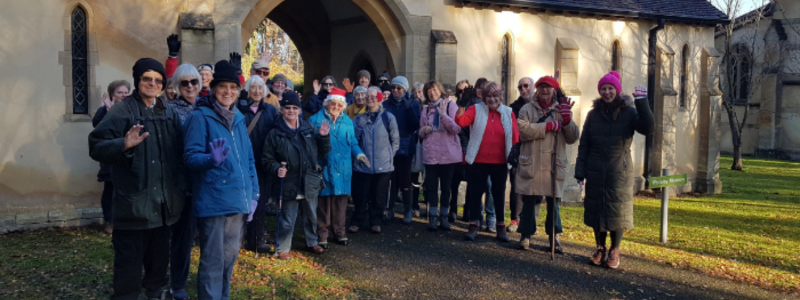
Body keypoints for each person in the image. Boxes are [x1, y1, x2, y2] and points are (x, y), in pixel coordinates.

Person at [89, 58, 186, 300]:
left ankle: (156, 294)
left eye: (157, 80)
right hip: (133, 210)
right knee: (128, 277)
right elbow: (96, 146)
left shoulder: (168, 111)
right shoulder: (124, 110)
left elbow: (179, 150)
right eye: (147, 79)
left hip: (163, 210)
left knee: (158, 272)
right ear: (138, 81)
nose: (152, 84)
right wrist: (123, 143)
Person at [183, 60, 259, 300]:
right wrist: (210, 160)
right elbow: (190, 158)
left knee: (229, 259)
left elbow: (249, 161)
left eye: (233, 88)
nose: (228, 92)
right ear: (214, 90)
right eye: (223, 87)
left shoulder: (239, 118)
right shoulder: (201, 117)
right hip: (214, 201)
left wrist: (254, 195)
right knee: (213, 260)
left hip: (238, 200)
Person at [575, 71, 654, 269]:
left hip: (620, 170)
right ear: (599, 91)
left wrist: (642, 102)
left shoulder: (629, 111)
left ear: (617, 90)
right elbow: (584, 144)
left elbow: (648, 128)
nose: (607, 92)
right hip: (595, 169)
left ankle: (614, 249)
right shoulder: (593, 115)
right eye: (603, 89)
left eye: (610, 88)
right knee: (597, 209)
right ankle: (600, 248)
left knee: (617, 211)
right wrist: (580, 171)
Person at [262, 91, 331, 260]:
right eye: (287, 108)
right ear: (282, 110)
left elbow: (323, 152)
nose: (291, 111)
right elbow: (266, 158)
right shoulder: (274, 133)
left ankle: (312, 241)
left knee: (311, 215)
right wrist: (277, 168)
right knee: (287, 218)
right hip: (288, 182)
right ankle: (283, 248)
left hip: (309, 180)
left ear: (300, 110)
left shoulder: (310, 129)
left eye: (294, 108)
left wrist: (323, 137)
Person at [515, 75, 580, 254]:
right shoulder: (526, 109)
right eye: (541, 87)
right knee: (528, 202)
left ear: (554, 90)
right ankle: (525, 235)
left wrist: (567, 121)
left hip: (553, 164)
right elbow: (523, 131)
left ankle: (554, 237)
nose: (545, 90)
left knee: (554, 204)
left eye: (548, 87)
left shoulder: (562, 109)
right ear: (536, 89)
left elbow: (573, 137)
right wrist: (548, 126)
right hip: (533, 163)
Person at [455, 81, 518, 242]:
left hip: (500, 161)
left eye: (495, 96)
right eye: (488, 96)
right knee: (475, 194)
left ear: (500, 97)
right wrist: (463, 103)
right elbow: (461, 122)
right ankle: (474, 225)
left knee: (499, 194)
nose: (491, 99)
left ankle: (500, 227)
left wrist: (514, 154)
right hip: (478, 160)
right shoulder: (475, 109)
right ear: (483, 97)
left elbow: (515, 136)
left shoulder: (508, 112)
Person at [310, 87, 369, 247]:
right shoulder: (315, 120)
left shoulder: (348, 122)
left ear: (343, 106)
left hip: (343, 169)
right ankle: (322, 233)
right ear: (327, 103)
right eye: (333, 103)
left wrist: (359, 155)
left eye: (339, 104)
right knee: (323, 202)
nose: (336, 107)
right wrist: (314, 162)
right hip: (324, 167)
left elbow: (353, 143)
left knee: (340, 202)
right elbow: (310, 146)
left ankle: (339, 232)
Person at [167, 64, 203, 300]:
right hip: (182, 183)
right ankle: (177, 284)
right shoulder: (170, 111)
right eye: (184, 83)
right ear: (177, 86)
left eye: (194, 82)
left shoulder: (207, 108)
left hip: (206, 181)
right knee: (182, 236)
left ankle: (206, 280)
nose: (190, 86)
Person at [237, 75, 279, 254]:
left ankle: (256, 238)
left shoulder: (270, 110)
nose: (256, 91)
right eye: (253, 87)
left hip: (262, 163)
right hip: (242, 161)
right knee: (240, 200)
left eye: (260, 88)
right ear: (248, 89)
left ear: (264, 91)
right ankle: (238, 237)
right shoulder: (239, 108)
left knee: (260, 202)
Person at [349, 87, 398, 234]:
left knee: (379, 196)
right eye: (367, 96)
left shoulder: (388, 117)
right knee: (361, 196)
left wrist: (389, 157)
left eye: (372, 95)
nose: (369, 98)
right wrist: (359, 126)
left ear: (379, 98)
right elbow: (354, 140)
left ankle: (376, 221)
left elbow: (395, 141)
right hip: (363, 166)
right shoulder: (359, 118)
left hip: (383, 166)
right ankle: (357, 220)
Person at [418, 81, 461, 230]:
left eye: (434, 89)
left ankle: (444, 216)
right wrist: (424, 130)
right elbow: (420, 133)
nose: (432, 93)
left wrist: (443, 116)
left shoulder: (450, 106)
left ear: (440, 90)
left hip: (447, 154)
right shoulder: (425, 110)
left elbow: (456, 128)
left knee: (446, 187)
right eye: (428, 90)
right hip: (431, 153)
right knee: (431, 187)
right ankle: (433, 217)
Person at [92, 80, 131, 235]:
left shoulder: (131, 110)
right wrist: (109, 110)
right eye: (119, 92)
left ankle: (125, 221)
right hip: (110, 156)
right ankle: (109, 221)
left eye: (125, 92)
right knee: (110, 189)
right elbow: (97, 125)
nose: (123, 95)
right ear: (112, 94)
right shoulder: (103, 111)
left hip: (127, 156)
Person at [382, 76, 421, 222]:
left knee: (405, 178)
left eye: (399, 88)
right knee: (391, 179)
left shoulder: (413, 104)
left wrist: (409, 109)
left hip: (406, 145)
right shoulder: (386, 104)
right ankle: (389, 208)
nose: (396, 91)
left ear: (404, 90)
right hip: (388, 146)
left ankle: (407, 210)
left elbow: (414, 125)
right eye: (394, 88)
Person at [506, 76, 535, 233]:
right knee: (517, 187)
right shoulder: (513, 108)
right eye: (520, 87)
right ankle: (515, 220)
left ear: (533, 87)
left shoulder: (540, 106)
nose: (523, 89)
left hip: (537, 152)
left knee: (535, 188)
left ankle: (530, 221)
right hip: (519, 151)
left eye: (526, 86)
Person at [448, 79, 470, 223]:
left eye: (465, 91)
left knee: (471, 183)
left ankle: (468, 212)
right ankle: (453, 210)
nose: (462, 94)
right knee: (453, 183)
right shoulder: (454, 107)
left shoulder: (473, 107)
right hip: (457, 148)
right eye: (459, 91)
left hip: (470, 149)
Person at [409, 82, 426, 217]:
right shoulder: (411, 106)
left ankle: (429, 208)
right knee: (413, 177)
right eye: (415, 92)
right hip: (414, 143)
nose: (418, 95)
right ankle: (413, 205)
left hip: (427, 145)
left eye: (420, 92)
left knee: (428, 179)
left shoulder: (429, 107)